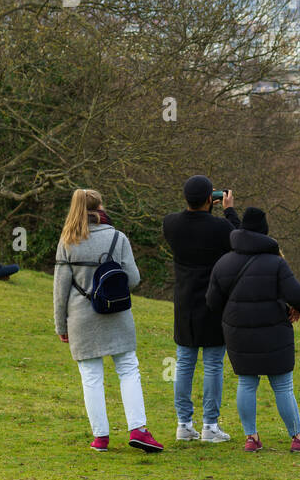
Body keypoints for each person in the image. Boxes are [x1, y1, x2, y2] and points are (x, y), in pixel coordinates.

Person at [207, 207, 300, 453]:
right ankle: (299, 437)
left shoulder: (224, 262)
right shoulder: (276, 263)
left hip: (237, 332)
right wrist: (297, 307)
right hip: (274, 332)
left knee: (247, 383)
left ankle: (251, 438)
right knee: (282, 385)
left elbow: (212, 302)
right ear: (264, 231)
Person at [53, 188, 161, 453]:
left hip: (81, 317)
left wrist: (60, 325)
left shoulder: (67, 240)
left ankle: (100, 438)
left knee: (91, 377)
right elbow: (133, 279)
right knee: (128, 369)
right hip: (116, 314)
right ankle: (138, 429)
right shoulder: (118, 237)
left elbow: (60, 289)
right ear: (100, 208)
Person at [162, 175, 240, 444]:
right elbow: (240, 239)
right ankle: (210, 425)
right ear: (211, 199)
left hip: (184, 301)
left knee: (184, 362)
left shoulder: (170, 224)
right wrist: (228, 209)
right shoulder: (220, 227)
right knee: (213, 364)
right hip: (213, 301)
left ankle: (184, 423)